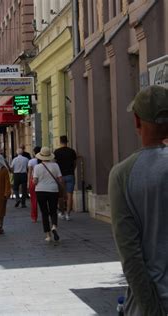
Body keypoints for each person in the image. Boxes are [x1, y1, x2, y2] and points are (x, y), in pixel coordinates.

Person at [109, 85, 168, 315]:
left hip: (151, 304)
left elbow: (131, 257)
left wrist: (152, 310)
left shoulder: (122, 174)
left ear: (136, 121)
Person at [32, 147, 63, 242]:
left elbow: (35, 181)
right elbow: (60, 179)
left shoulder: (37, 167)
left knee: (44, 212)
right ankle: (54, 226)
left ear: (41, 156)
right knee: (53, 210)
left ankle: (48, 235)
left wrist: (34, 181)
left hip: (40, 191)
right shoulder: (55, 166)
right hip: (53, 190)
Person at [54, 135, 78, 221]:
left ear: (60, 142)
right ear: (67, 141)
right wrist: (72, 170)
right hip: (70, 175)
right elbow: (75, 163)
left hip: (60, 176)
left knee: (60, 195)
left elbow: (55, 164)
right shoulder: (72, 151)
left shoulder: (56, 152)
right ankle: (68, 214)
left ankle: (62, 213)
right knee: (70, 195)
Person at [27, 146, 41, 223]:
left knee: (34, 200)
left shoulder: (31, 161)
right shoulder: (43, 160)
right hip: (42, 181)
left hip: (33, 180)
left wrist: (28, 183)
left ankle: (34, 217)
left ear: (34, 152)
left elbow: (29, 172)